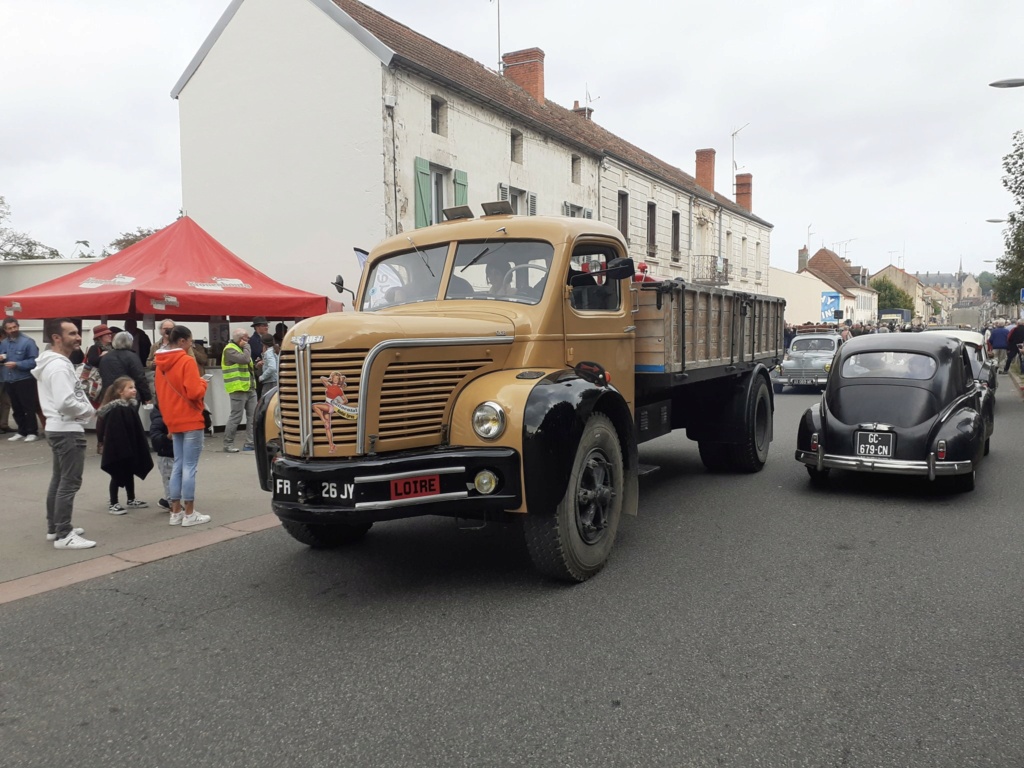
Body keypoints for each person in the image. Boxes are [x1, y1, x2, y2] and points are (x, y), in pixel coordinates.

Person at [33, 318, 96, 549]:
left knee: (59, 480)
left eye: (78, 333)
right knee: (69, 482)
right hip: (66, 429)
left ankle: (56, 527)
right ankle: (63, 534)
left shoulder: (53, 363)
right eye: (72, 333)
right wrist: (87, 411)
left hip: (58, 428)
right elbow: (65, 401)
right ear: (56, 338)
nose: (78, 337)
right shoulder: (59, 366)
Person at [154, 325, 212, 527]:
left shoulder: (160, 363)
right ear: (181, 341)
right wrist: (203, 384)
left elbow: (160, 395)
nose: (190, 345)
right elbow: (195, 392)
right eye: (189, 341)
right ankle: (189, 513)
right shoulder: (186, 361)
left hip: (172, 419)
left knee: (178, 464)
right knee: (189, 467)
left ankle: (175, 511)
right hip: (190, 418)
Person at [96, 376, 154, 514]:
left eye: (134, 387)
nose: (134, 390)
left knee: (129, 471)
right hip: (118, 449)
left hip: (128, 446)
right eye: (130, 387)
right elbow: (115, 432)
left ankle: (131, 499)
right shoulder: (116, 410)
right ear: (120, 391)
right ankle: (113, 502)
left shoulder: (128, 407)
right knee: (117, 473)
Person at [0, 316, 41, 442]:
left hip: (24, 378)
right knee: (16, 407)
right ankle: (21, 431)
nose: (13, 330)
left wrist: (17, 364)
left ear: (18, 326)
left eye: (14, 327)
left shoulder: (28, 341)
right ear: (5, 330)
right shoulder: (4, 343)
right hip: (9, 378)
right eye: (9, 328)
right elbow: (3, 356)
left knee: (28, 406)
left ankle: (32, 431)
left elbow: (34, 361)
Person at [221, 327, 257, 453]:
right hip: (237, 388)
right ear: (241, 339)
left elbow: (247, 365)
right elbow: (245, 359)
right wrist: (247, 347)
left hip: (249, 387)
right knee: (236, 417)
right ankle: (228, 444)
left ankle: (250, 443)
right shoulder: (230, 349)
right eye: (247, 337)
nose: (249, 339)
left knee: (252, 417)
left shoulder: (241, 349)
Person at [98, 331, 152, 406]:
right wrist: (146, 396)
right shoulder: (132, 357)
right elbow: (140, 377)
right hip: (128, 396)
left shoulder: (105, 357)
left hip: (109, 394)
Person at [149, 401, 175, 513]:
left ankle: (167, 501)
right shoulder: (159, 419)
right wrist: (167, 437)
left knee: (176, 478)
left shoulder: (170, 414)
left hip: (173, 453)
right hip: (166, 455)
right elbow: (155, 438)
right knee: (170, 480)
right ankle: (172, 504)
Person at [250, 317, 269, 398]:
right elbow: (259, 352)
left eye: (267, 325)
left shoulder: (262, 338)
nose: (266, 327)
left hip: (263, 370)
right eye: (264, 325)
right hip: (257, 371)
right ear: (257, 327)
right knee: (260, 394)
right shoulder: (253, 340)